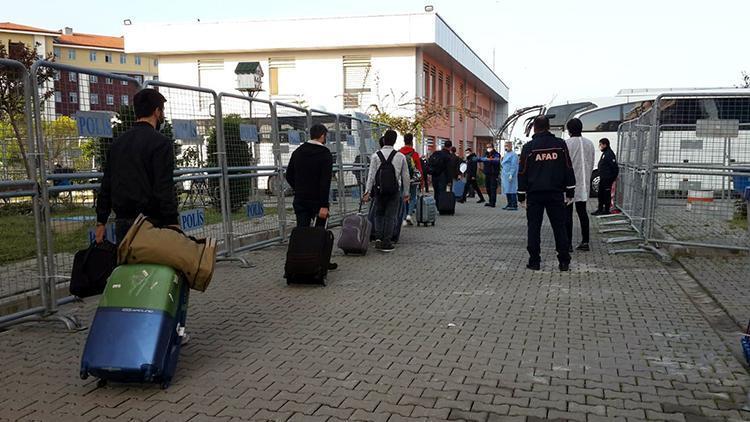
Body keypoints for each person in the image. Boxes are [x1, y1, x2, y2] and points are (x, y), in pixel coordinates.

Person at [95, 88, 178, 244]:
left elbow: (107, 184)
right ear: (157, 111)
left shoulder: (117, 143)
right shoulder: (161, 143)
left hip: (123, 221)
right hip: (152, 222)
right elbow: (164, 185)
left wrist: (101, 221)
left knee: (128, 266)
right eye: (162, 111)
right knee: (154, 267)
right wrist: (172, 220)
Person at [518, 116, 576, 272]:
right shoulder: (560, 145)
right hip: (556, 194)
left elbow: (522, 172)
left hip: (535, 195)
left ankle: (534, 261)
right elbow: (568, 168)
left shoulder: (528, 148)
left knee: (534, 228)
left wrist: (521, 195)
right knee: (559, 228)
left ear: (535, 128)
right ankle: (564, 262)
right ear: (549, 127)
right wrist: (570, 191)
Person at [285, 123, 338, 269]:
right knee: (319, 233)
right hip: (317, 201)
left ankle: (299, 263)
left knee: (302, 232)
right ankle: (320, 262)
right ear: (322, 135)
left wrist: (299, 188)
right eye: (326, 135)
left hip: (301, 199)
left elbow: (289, 174)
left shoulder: (298, 152)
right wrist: (324, 205)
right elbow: (324, 182)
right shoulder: (325, 154)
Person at [364, 129, 410, 252]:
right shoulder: (400, 156)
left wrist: (367, 191)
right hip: (394, 191)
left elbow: (371, 175)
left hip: (379, 190)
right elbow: (405, 176)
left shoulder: (375, 155)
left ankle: (378, 238)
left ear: (384, 140)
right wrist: (406, 193)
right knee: (391, 216)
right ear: (395, 141)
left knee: (378, 214)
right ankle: (387, 241)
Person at [564, 118, 596, 251]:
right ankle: (585, 241)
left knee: (567, 213)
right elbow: (592, 161)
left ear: (569, 130)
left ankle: (568, 243)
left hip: (569, 184)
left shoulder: (567, 144)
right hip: (584, 183)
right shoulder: (590, 144)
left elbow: (563, 165)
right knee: (582, 212)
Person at [399, 133, 423, 225]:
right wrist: (422, 180)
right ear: (412, 141)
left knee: (403, 197)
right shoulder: (415, 154)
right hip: (413, 179)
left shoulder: (399, 152)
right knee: (413, 197)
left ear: (404, 141)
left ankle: (404, 219)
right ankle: (409, 214)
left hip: (402, 178)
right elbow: (419, 168)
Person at [593, 138, 619, 216]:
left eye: (601, 144)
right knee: (601, 194)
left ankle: (606, 209)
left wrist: (612, 178)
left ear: (605, 145)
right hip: (603, 178)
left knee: (606, 194)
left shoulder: (609, 154)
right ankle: (600, 209)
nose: (600, 146)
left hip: (607, 179)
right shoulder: (605, 153)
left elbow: (614, 167)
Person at [427, 141, 453, 207]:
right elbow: (449, 169)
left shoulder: (436, 153)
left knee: (436, 191)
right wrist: (449, 180)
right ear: (450, 147)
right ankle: (441, 206)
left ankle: (436, 205)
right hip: (442, 176)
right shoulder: (448, 156)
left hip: (434, 175)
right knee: (442, 192)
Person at [481, 143, 501, 208]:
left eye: (489, 147)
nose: (488, 148)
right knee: (488, 188)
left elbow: (496, 161)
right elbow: (483, 160)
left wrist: (489, 159)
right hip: (487, 173)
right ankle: (490, 201)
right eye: (487, 147)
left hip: (493, 174)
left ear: (492, 147)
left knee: (493, 188)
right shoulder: (486, 154)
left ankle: (493, 202)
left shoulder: (496, 154)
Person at [501, 141, 519, 210]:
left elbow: (513, 166)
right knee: (507, 190)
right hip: (505, 175)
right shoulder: (506, 154)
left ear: (511, 146)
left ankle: (514, 205)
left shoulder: (514, 155)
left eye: (507, 146)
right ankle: (509, 204)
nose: (506, 147)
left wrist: (511, 174)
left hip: (511, 175)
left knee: (512, 190)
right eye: (505, 146)